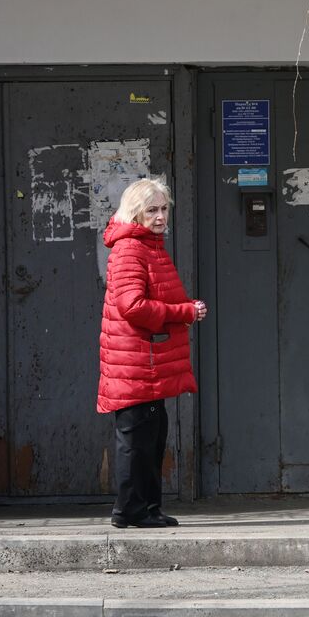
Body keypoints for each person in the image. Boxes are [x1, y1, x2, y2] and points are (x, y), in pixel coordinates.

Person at [96, 177, 208, 529]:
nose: (161, 216)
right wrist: (184, 312)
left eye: (164, 209)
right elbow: (132, 306)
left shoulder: (148, 246)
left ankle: (148, 507)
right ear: (135, 212)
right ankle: (129, 510)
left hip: (146, 361)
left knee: (153, 436)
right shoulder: (131, 248)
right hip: (135, 361)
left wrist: (183, 307)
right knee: (136, 440)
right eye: (152, 210)